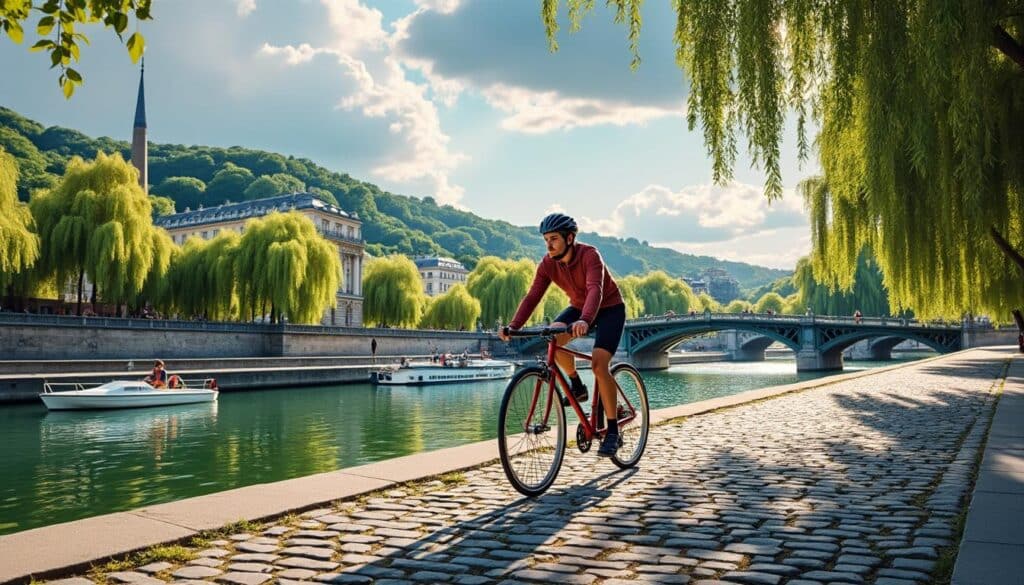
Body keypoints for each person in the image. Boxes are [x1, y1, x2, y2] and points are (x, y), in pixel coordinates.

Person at [498, 213, 627, 458]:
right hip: (579, 307)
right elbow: (533, 295)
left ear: (570, 238)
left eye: (554, 239)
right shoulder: (548, 264)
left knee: (600, 365)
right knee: (554, 340)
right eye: (546, 239)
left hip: (609, 308)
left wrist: (585, 320)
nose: (548, 244)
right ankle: (576, 384)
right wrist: (513, 326)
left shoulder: (590, 255)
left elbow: (595, 290)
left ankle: (612, 432)